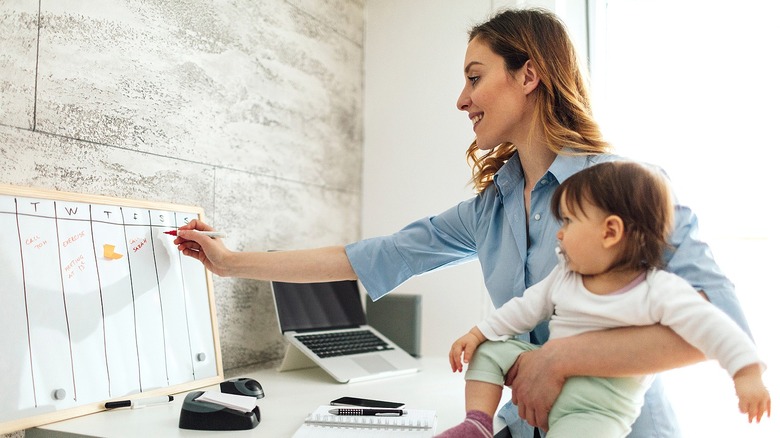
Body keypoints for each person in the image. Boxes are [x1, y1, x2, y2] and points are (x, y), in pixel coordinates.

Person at [173, 8, 755, 437]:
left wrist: (560, 358)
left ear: (529, 75)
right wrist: (228, 263)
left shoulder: (630, 189)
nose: (461, 99)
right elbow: (371, 255)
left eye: (475, 77)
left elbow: (718, 329)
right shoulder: (491, 207)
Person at [436, 161, 770, 438]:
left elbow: (716, 327)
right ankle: (477, 424)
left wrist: (747, 375)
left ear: (609, 232)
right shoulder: (566, 275)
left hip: (595, 411)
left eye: (568, 220)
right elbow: (523, 309)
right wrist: (477, 334)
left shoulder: (658, 290)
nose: (559, 232)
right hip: (546, 378)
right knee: (491, 350)